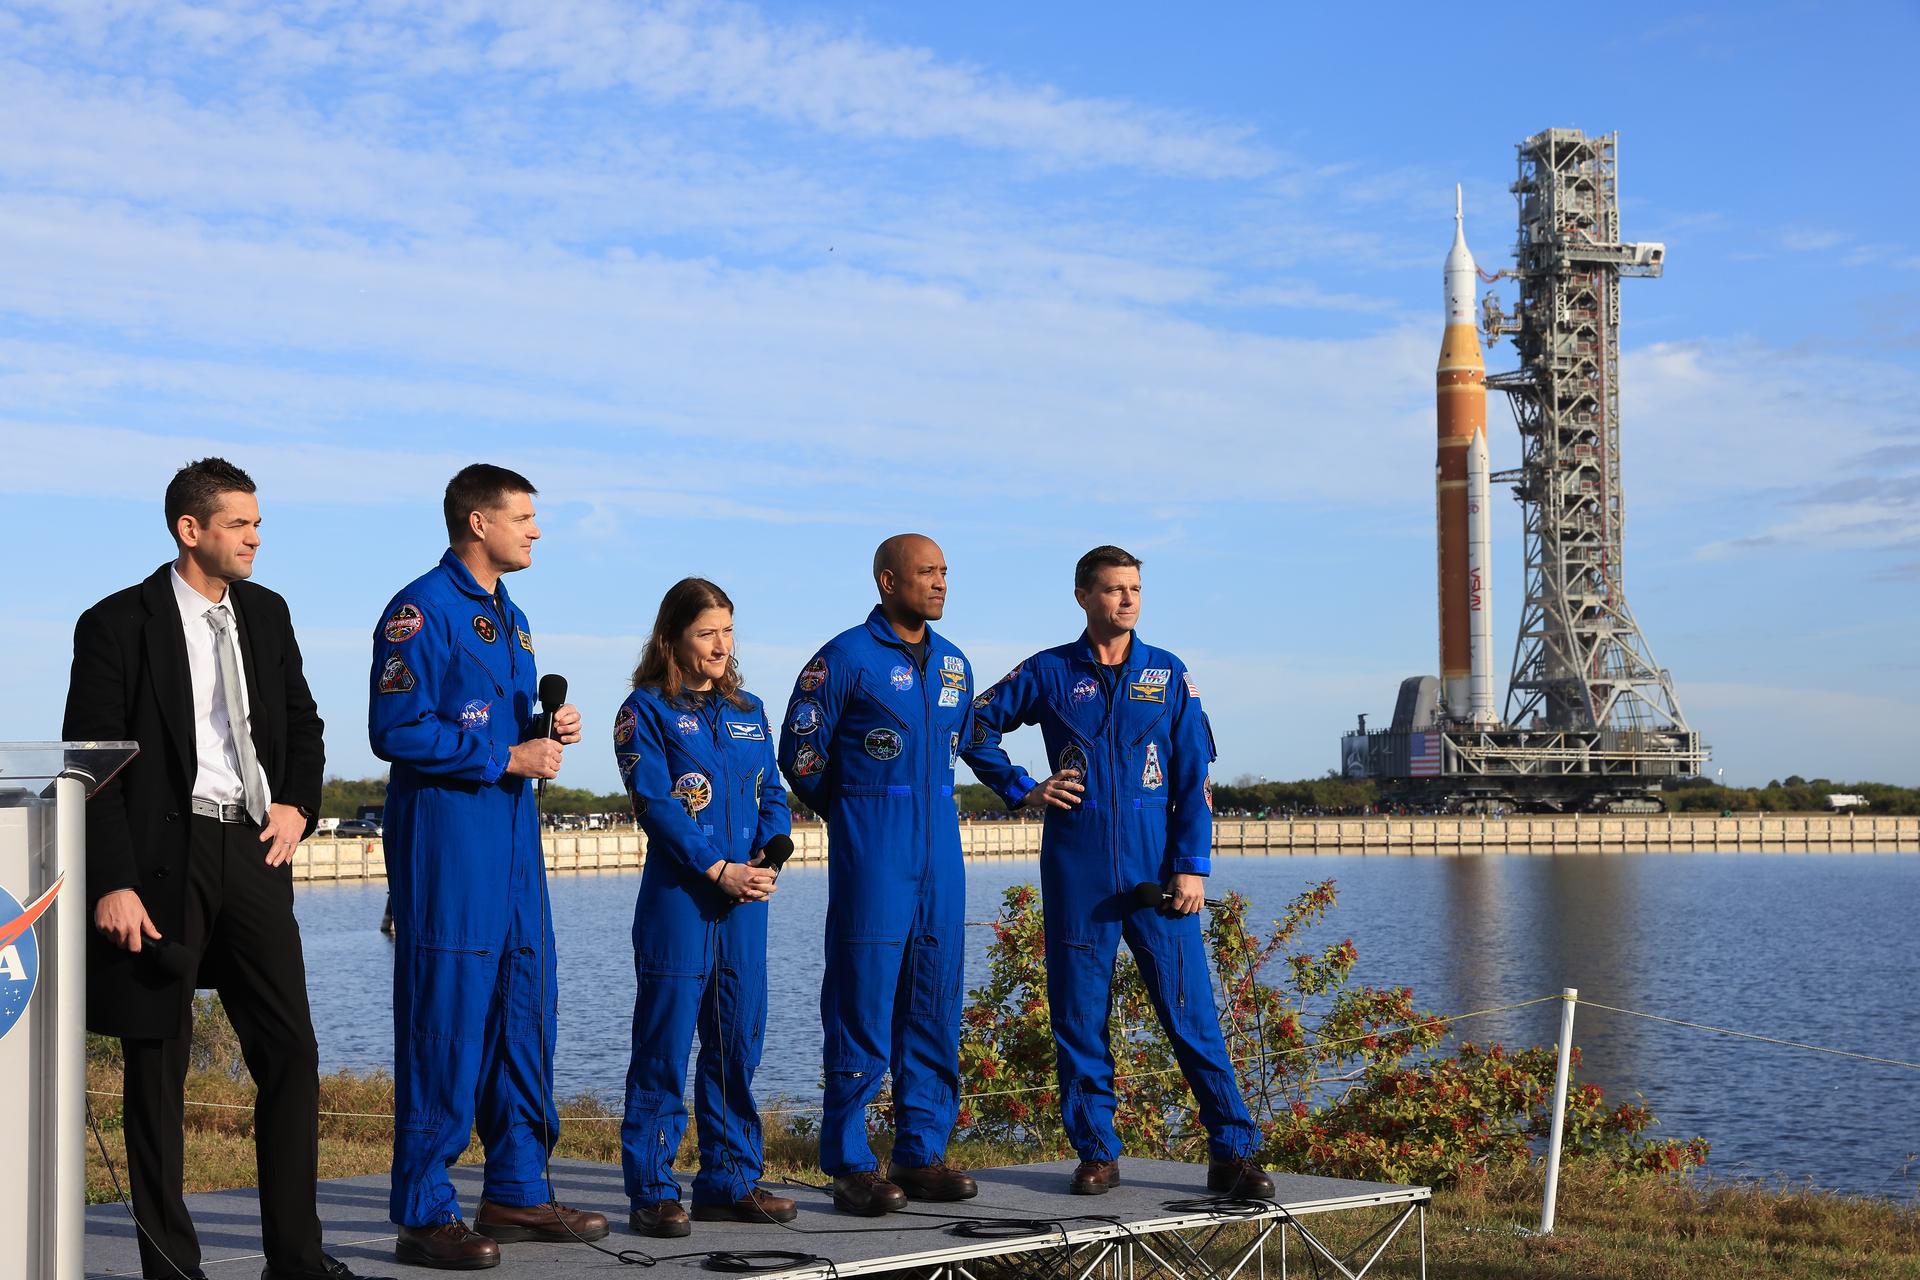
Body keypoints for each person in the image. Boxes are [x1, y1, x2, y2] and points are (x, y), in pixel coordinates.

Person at [63, 457, 388, 1280]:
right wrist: (113, 881)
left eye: (257, 523)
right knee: (157, 1070)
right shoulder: (114, 625)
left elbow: (303, 723)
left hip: (251, 852)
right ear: (191, 529)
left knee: (290, 1053)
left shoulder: (268, 614)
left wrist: (298, 805)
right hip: (158, 864)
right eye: (240, 524)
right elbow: (91, 767)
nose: (255, 537)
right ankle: (172, 1269)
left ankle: (297, 1260)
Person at [961, 546, 1274, 1199]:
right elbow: (973, 725)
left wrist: (1192, 868)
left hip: (1157, 872)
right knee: (1078, 1016)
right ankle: (1097, 1152)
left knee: (1191, 1014)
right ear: (1083, 596)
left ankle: (1233, 1152)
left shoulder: (1167, 673)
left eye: (1134, 588)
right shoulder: (1050, 671)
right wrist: (1022, 787)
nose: (1126, 600)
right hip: (1077, 865)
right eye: (1112, 589)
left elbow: (1194, 778)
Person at [368, 464, 608, 1269]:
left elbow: (499, 727)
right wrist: (505, 752)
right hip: (449, 846)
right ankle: (424, 1212)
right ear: (478, 522)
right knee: (446, 1021)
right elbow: (397, 730)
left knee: (523, 1012)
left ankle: (514, 1187)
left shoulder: (516, 617)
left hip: (515, 849)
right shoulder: (418, 611)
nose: (536, 531)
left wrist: (549, 727)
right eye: (524, 517)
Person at [776, 534, 979, 1216]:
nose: (941, 583)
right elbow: (800, 750)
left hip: (941, 856)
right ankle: (851, 1162)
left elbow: (968, 744)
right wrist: (852, 811)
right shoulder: (844, 658)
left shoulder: (955, 665)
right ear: (889, 582)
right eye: (927, 573)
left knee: (935, 1000)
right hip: (874, 852)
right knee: (861, 1005)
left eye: (945, 572)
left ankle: (921, 1153)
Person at [611, 579, 796, 1237]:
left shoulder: (749, 708)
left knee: (737, 1040)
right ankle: (653, 1190)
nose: (720, 645)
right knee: (663, 1046)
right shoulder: (644, 711)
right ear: (672, 640)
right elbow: (656, 805)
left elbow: (770, 791)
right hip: (682, 900)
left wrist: (770, 860)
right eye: (705, 633)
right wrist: (716, 868)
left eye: (726, 632)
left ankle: (730, 1179)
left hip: (746, 901)